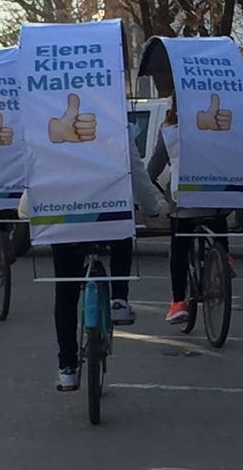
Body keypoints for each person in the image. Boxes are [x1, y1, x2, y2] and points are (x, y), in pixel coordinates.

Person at [46, 122, 167, 391]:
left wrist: (27, 208)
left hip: (65, 223)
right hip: (108, 218)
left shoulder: (50, 124)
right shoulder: (116, 124)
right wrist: (152, 207)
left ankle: (67, 369)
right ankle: (119, 298)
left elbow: (39, 170)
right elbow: (136, 172)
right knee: (123, 232)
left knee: (65, 295)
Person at [146, 98, 233, 325]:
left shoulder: (170, 129)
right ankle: (224, 257)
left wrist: (148, 180)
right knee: (218, 216)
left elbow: (156, 163)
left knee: (179, 248)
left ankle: (178, 302)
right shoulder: (222, 123)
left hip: (184, 201)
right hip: (217, 199)